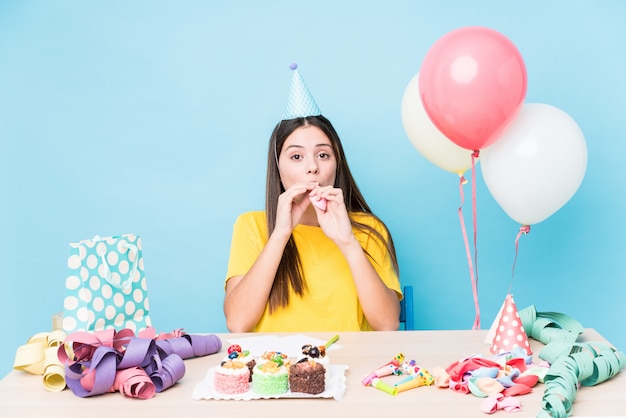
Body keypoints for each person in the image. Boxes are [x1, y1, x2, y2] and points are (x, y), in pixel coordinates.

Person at [224, 64, 402, 332]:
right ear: (279, 168)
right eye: (296, 156)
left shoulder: (369, 230)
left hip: (351, 368)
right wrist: (281, 233)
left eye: (323, 155)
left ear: (336, 164)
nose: (312, 167)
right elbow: (237, 323)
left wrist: (347, 242)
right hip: (276, 370)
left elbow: (387, 325)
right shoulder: (251, 226)